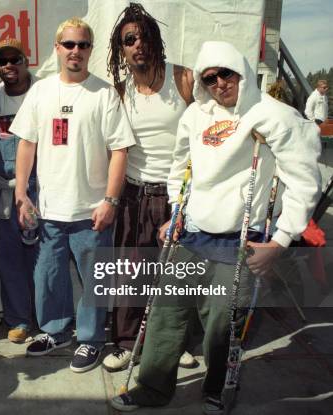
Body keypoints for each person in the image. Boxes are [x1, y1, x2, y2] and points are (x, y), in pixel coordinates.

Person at [111, 41, 321, 414]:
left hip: (241, 238)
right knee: (165, 314)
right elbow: (179, 165)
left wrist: (281, 241)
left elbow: (305, 182)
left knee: (222, 323)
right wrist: (176, 211)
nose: (220, 83)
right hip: (193, 232)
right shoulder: (196, 115)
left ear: (241, 71)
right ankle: (151, 388)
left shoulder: (275, 115)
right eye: (210, 78)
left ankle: (216, 387)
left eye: (227, 74)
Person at [10, 17, 135, 373]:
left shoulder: (104, 93)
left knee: (95, 279)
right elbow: (26, 144)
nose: (75, 51)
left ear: (90, 50)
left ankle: (91, 340)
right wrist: (22, 193)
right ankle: (56, 331)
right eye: (69, 44)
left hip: (91, 210)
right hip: (49, 210)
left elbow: (120, 150)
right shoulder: (41, 91)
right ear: (57, 48)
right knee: (48, 278)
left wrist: (110, 200)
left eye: (82, 45)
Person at [103, 3, 197, 372]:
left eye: (143, 36)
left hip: (175, 194)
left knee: (175, 277)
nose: (137, 44)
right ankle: (127, 343)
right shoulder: (120, 90)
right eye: (129, 40)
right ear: (122, 49)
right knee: (130, 274)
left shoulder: (184, 80)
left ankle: (174, 344)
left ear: (155, 40)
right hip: (134, 194)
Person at [0, 38, 37, 344]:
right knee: (9, 258)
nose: (9, 66)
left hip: (40, 191)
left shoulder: (44, 93)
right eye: (3, 61)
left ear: (27, 61)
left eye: (15, 59)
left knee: (42, 259)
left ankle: (46, 316)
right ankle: (18, 320)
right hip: (3, 193)